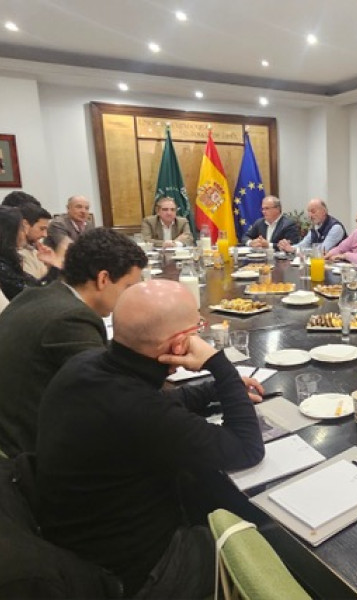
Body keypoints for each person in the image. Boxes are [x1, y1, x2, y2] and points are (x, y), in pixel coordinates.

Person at [36, 280, 265, 599]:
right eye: (197, 327)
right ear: (179, 344)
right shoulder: (137, 410)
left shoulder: (87, 366)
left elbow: (160, 406)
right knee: (258, 539)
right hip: (133, 573)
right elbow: (246, 448)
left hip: (77, 542)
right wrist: (219, 367)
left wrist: (215, 389)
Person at [0, 228, 147, 457]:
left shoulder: (39, 295)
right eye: (129, 287)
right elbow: (112, 395)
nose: (133, 296)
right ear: (103, 279)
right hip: (24, 456)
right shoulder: (71, 319)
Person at [0, 206, 62, 301]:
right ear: (9, 232)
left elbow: (37, 286)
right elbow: (34, 296)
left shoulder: (9, 260)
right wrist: (55, 267)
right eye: (21, 228)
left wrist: (53, 266)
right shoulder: (3, 266)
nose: (24, 233)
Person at [277, 198, 345, 254]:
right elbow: (303, 245)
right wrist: (287, 247)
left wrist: (294, 250)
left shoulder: (335, 228)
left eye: (313, 211)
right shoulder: (315, 226)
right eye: (308, 212)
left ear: (324, 212)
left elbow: (322, 251)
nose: (310, 216)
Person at [18, 202, 55, 278]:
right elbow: (36, 287)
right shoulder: (17, 255)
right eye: (42, 229)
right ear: (25, 225)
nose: (45, 235)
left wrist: (50, 264)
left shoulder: (35, 251)